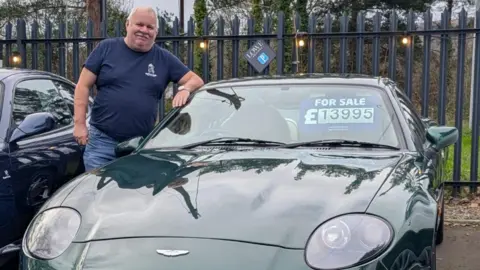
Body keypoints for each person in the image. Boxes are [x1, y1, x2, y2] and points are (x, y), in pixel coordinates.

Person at [73, 6, 204, 171]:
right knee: (98, 194)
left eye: (150, 27)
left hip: (140, 145)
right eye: (139, 24)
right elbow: (82, 86)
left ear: (156, 32)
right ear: (127, 24)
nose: (144, 30)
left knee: (134, 196)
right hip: (102, 143)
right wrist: (79, 124)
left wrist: (185, 89)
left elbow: (196, 80)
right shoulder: (106, 48)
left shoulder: (164, 59)